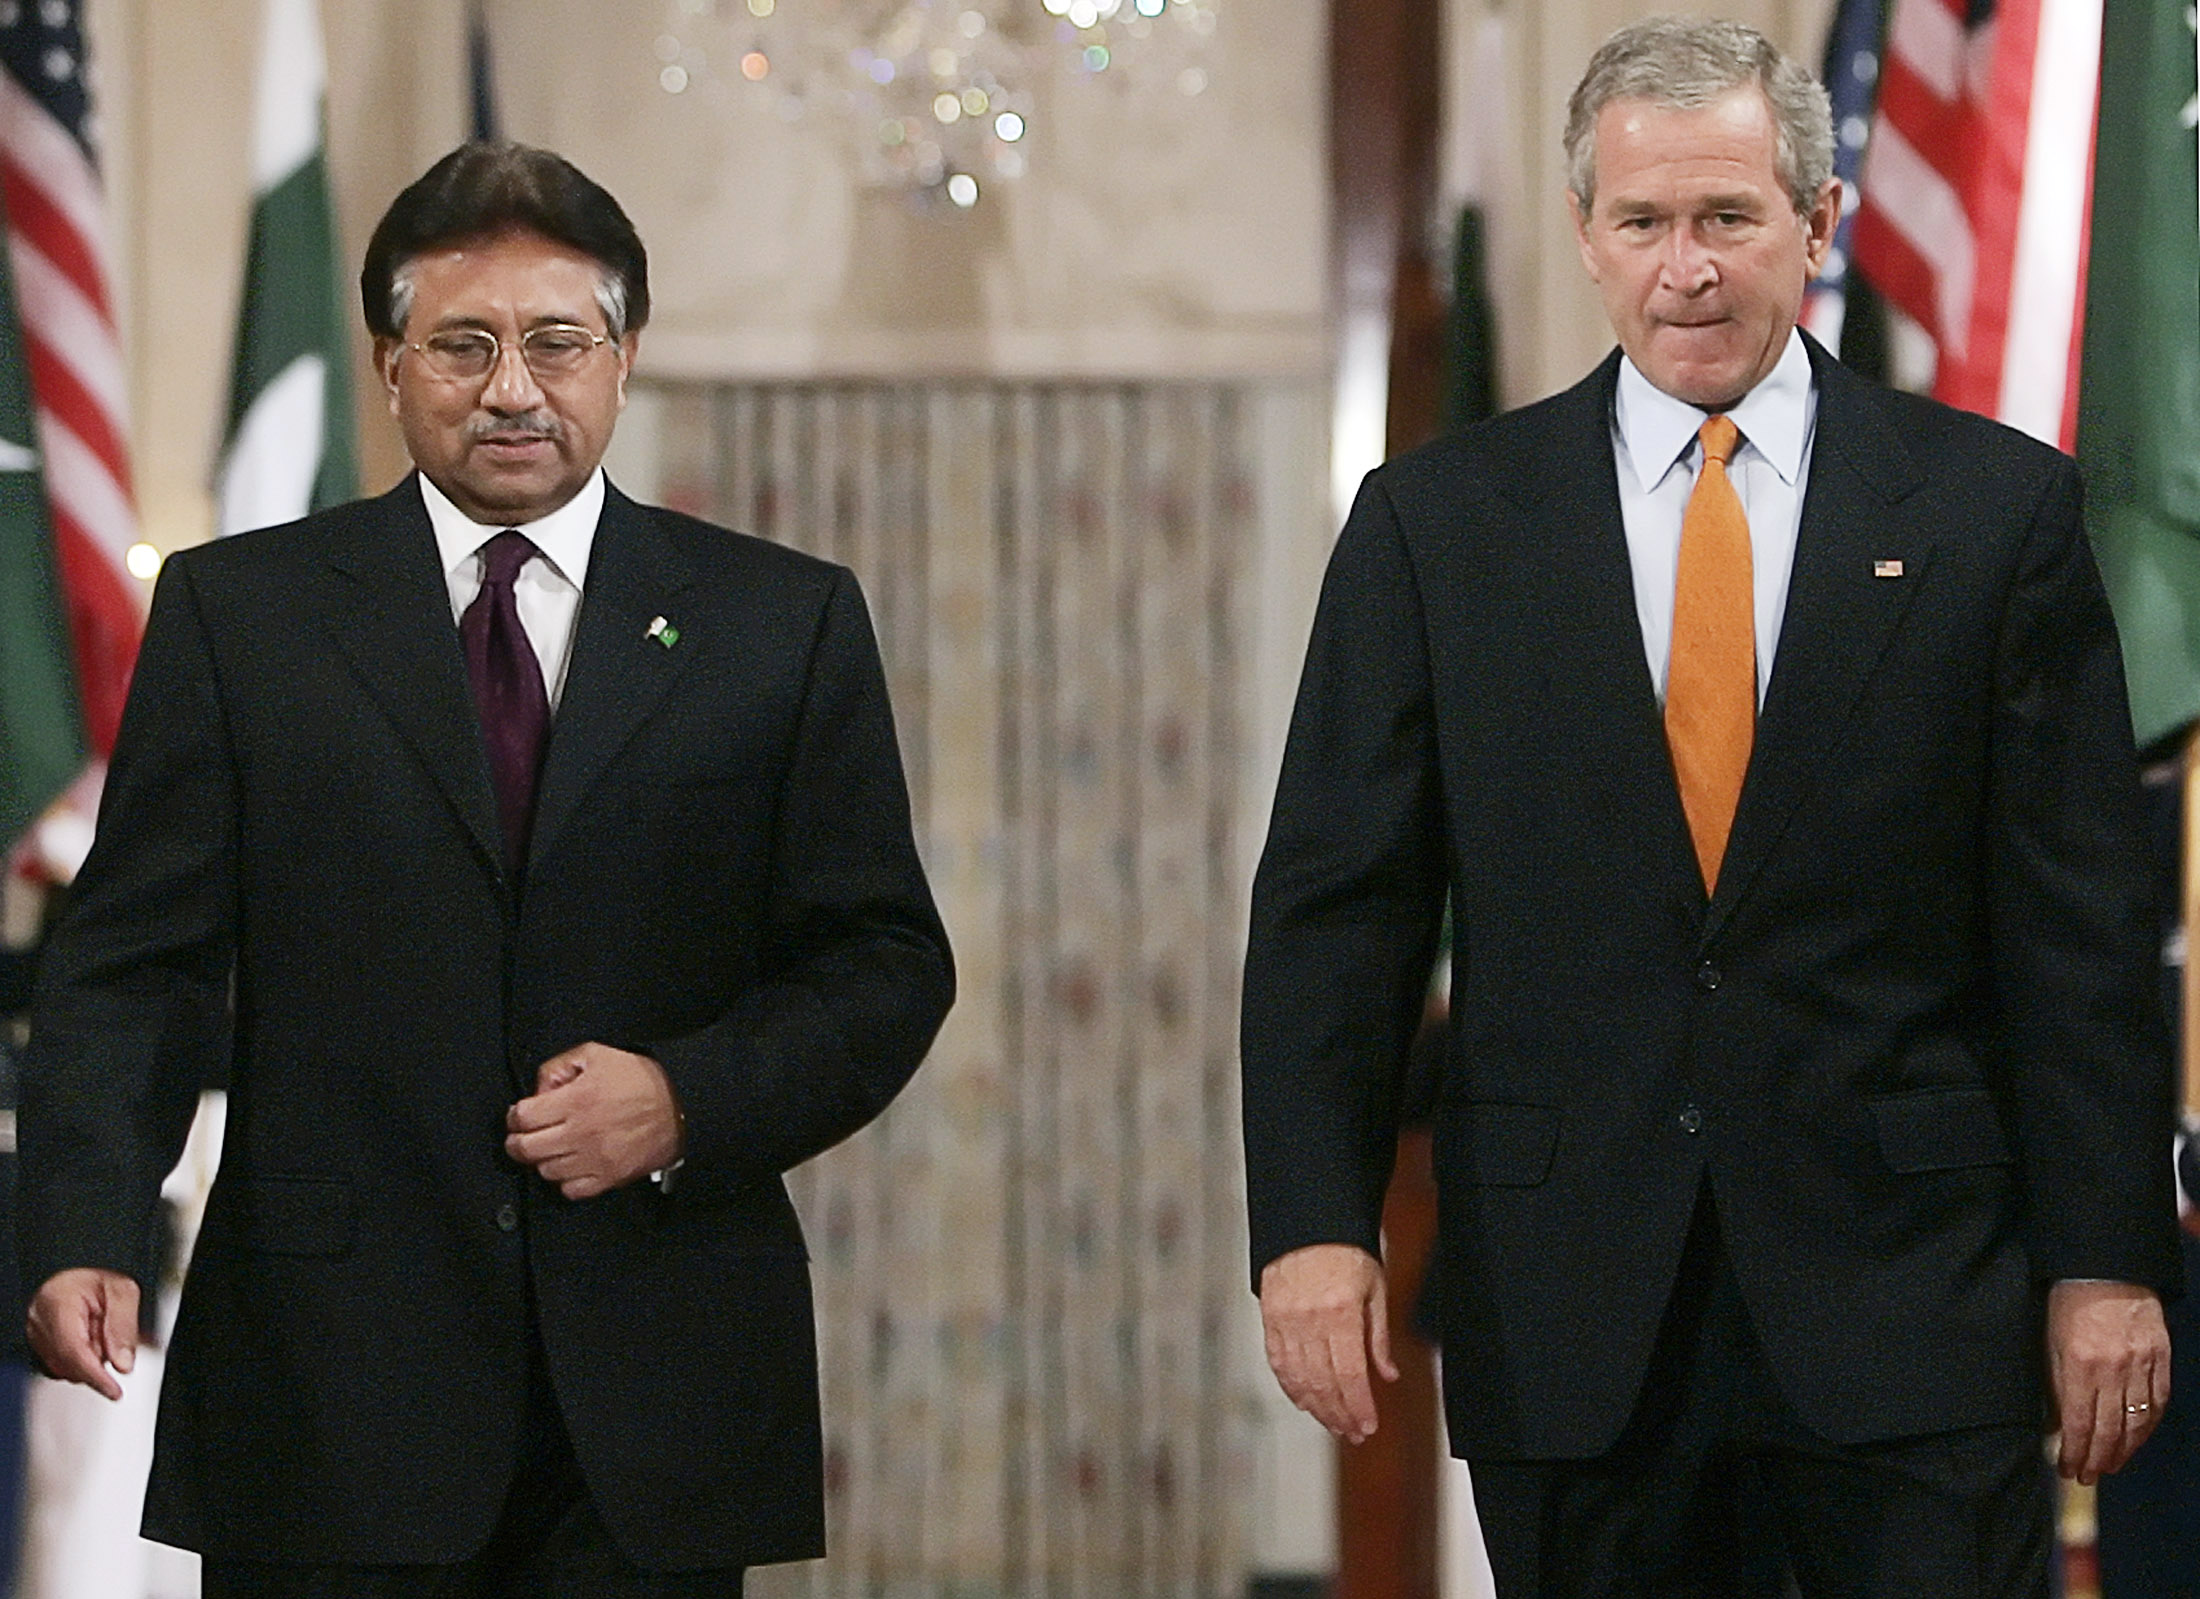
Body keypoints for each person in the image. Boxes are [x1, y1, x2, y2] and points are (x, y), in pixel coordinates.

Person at [1241, 17, 2181, 1596]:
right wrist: (1312, 1227)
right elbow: (1339, 912)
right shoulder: (1439, 528)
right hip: (1575, 1311)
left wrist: (2105, 1262)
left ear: (1816, 225)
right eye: (1646, 223)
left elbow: (2074, 934)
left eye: (1730, 218)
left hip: (1915, 1306)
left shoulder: (1993, 515)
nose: (1688, 268)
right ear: (1590, 240)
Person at [17, 141, 953, 1597]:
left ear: (624, 360)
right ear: (390, 364)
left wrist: (687, 1098)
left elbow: (885, 968)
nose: (513, 385)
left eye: (557, 343)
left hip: (650, 1394)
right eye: (464, 343)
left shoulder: (783, 624)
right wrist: (84, 1224)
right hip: (328, 1391)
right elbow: (129, 964)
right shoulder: (242, 617)